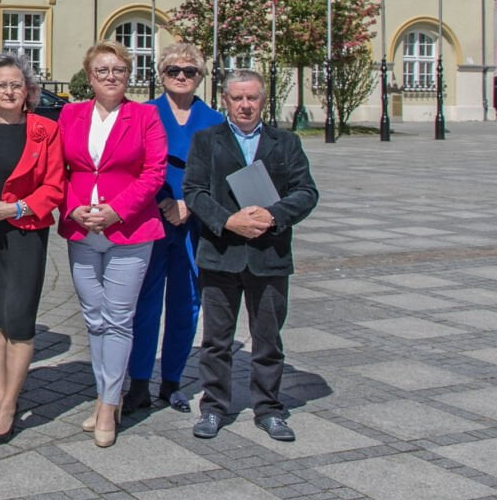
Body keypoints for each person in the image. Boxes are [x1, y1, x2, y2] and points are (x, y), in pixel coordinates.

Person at [184, 69, 319, 442]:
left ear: (263, 100)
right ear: (225, 100)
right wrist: (228, 220)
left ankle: (269, 409)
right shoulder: (206, 140)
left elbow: (306, 192)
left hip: (268, 255)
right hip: (221, 254)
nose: (245, 105)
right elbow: (194, 191)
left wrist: (274, 215)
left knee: (268, 339)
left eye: (252, 98)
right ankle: (213, 407)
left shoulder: (285, 142)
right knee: (216, 340)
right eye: (237, 98)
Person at [56, 42, 167, 448]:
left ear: (128, 74)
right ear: (89, 75)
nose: (110, 76)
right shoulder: (70, 114)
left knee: (118, 318)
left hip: (129, 231)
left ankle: (107, 404)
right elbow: (58, 169)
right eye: (102, 70)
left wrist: (115, 211)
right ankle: (107, 394)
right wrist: (74, 208)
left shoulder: (145, 116)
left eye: (118, 69)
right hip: (83, 231)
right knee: (94, 318)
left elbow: (154, 173)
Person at [0, 51, 66, 446]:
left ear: (29, 92)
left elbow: (54, 186)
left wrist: (15, 207)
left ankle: (7, 405)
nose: (8, 91)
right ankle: (2, 399)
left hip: (24, 232)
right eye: (1, 84)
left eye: (15, 85)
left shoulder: (45, 130)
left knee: (18, 318)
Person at [124, 44, 224, 415]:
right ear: (160, 74)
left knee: (186, 304)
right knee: (145, 304)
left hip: (193, 226)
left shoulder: (214, 120)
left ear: (200, 77)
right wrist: (162, 202)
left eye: (189, 71)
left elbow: (223, 176)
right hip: (150, 220)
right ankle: (137, 383)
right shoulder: (143, 114)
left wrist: (188, 204)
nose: (181, 76)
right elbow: (131, 167)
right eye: (173, 70)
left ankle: (172, 382)